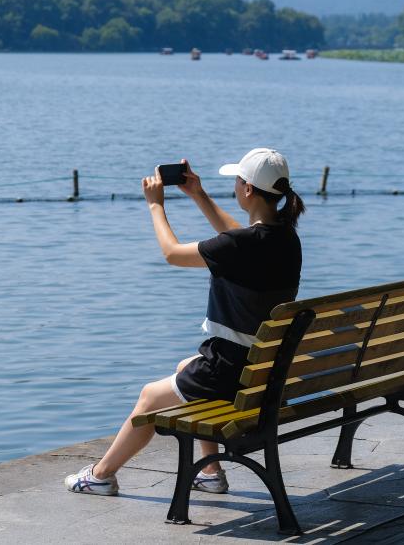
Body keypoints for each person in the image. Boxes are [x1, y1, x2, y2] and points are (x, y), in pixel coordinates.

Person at [65, 148, 304, 496]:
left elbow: (172, 253)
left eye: (237, 181)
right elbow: (238, 238)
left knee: (148, 397)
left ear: (248, 190)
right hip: (264, 371)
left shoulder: (243, 245)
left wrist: (155, 205)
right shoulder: (286, 239)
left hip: (231, 369)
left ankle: (100, 475)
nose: (235, 187)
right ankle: (210, 471)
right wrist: (198, 195)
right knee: (184, 365)